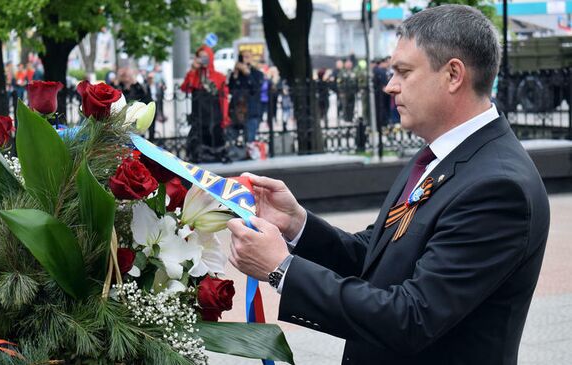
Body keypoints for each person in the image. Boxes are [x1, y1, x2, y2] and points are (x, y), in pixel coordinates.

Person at [226, 5, 549, 365]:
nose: (389, 84)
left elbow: (411, 318)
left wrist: (282, 269)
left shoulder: (498, 187)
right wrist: (298, 224)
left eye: (403, 72)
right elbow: (378, 257)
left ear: (453, 75)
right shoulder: (439, 153)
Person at [180, 45, 230, 163]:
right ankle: (198, 155)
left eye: (205, 57)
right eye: (200, 57)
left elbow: (224, 98)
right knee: (198, 134)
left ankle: (217, 155)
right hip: (198, 114)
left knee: (215, 133)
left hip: (214, 115)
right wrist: (193, 70)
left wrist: (225, 116)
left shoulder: (219, 76)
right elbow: (185, 88)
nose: (203, 59)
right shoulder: (194, 74)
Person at [228, 50, 263, 143]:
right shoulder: (235, 74)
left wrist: (248, 74)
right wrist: (235, 74)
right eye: (243, 57)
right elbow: (230, 89)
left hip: (251, 111)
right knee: (231, 138)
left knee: (249, 140)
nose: (245, 59)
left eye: (248, 57)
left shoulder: (256, 73)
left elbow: (256, 89)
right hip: (235, 110)